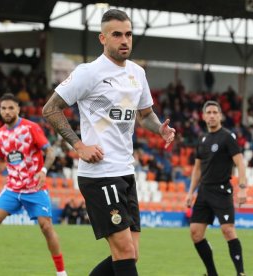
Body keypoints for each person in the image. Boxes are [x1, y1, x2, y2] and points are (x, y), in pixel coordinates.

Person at [43, 9, 175, 276]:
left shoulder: (137, 73)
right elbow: (50, 109)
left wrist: (159, 130)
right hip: (99, 174)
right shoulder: (88, 73)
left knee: (130, 255)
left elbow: (145, 115)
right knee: (125, 252)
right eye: (117, 34)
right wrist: (79, 146)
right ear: (102, 38)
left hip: (125, 171)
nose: (124, 40)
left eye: (128, 34)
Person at [0, 93, 67, 276]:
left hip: (34, 188)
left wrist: (43, 171)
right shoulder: (0, 135)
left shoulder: (31, 128)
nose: (7, 111)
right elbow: (2, 163)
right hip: (12, 189)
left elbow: (50, 152)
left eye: (11, 107)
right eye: (3, 108)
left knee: (46, 227)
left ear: (18, 109)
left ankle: (61, 272)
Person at [186, 100, 247, 276]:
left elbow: (240, 164)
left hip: (221, 191)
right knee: (195, 233)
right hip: (204, 191)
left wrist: (243, 188)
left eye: (215, 112)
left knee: (227, 230)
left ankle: (241, 273)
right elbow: (197, 169)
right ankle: (212, 273)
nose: (212, 115)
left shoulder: (228, 137)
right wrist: (190, 193)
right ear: (204, 116)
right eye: (209, 112)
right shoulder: (202, 139)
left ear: (220, 115)